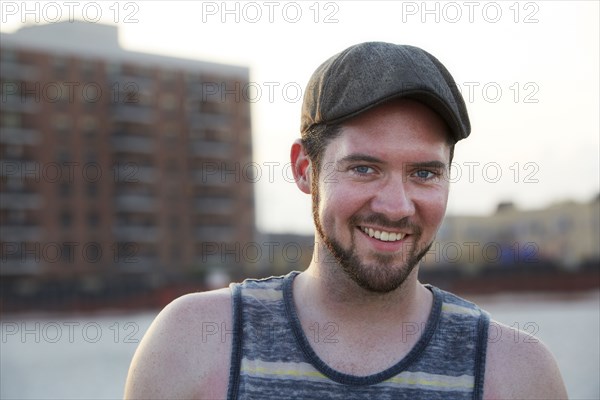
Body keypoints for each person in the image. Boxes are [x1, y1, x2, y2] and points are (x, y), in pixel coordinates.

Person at [124, 42, 567, 399]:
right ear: (304, 170)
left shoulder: (516, 373)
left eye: (424, 173)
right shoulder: (194, 344)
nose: (396, 207)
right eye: (364, 168)